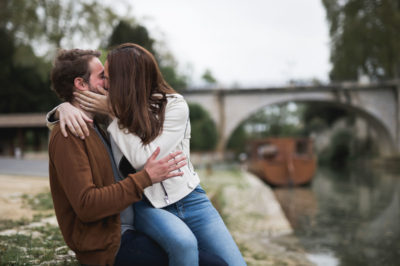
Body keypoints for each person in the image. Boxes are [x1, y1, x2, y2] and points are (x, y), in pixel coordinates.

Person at [56, 43, 247, 266]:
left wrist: (113, 113)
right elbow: (78, 104)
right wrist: (62, 109)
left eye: (108, 77)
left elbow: (146, 157)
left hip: (191, 199)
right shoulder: (110, 109)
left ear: (126, 78)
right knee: (183, 244)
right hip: (148, 205)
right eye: (103, 76)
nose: (105, 84)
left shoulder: (174, 106)